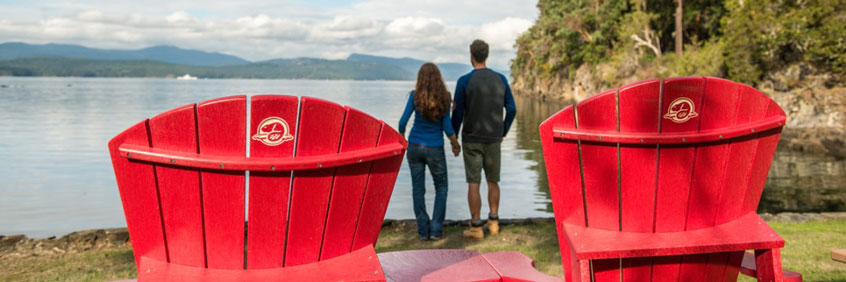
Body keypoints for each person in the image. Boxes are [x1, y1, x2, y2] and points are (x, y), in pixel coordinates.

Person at [451, 39, 516, 239]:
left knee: (474, 182)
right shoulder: (501, 79)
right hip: (494, 138)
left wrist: (454, 139)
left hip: (471, 138)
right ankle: (494, 222)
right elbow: (512, 109)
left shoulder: (464, 81)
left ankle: (476, 227)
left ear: (471, 56)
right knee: (493, 180)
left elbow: (458, 113)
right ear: (486, 55)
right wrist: (503, 131)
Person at [398, 62, 461, 241]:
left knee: (418, 190)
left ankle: (422, 230)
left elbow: (402, 122)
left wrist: (403, 141)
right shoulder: (445, 97)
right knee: (441, 187)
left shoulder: (415, 96)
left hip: (415, 147)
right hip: (434, 149)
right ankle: (435, 230)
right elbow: (448, 128)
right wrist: (456, 145)